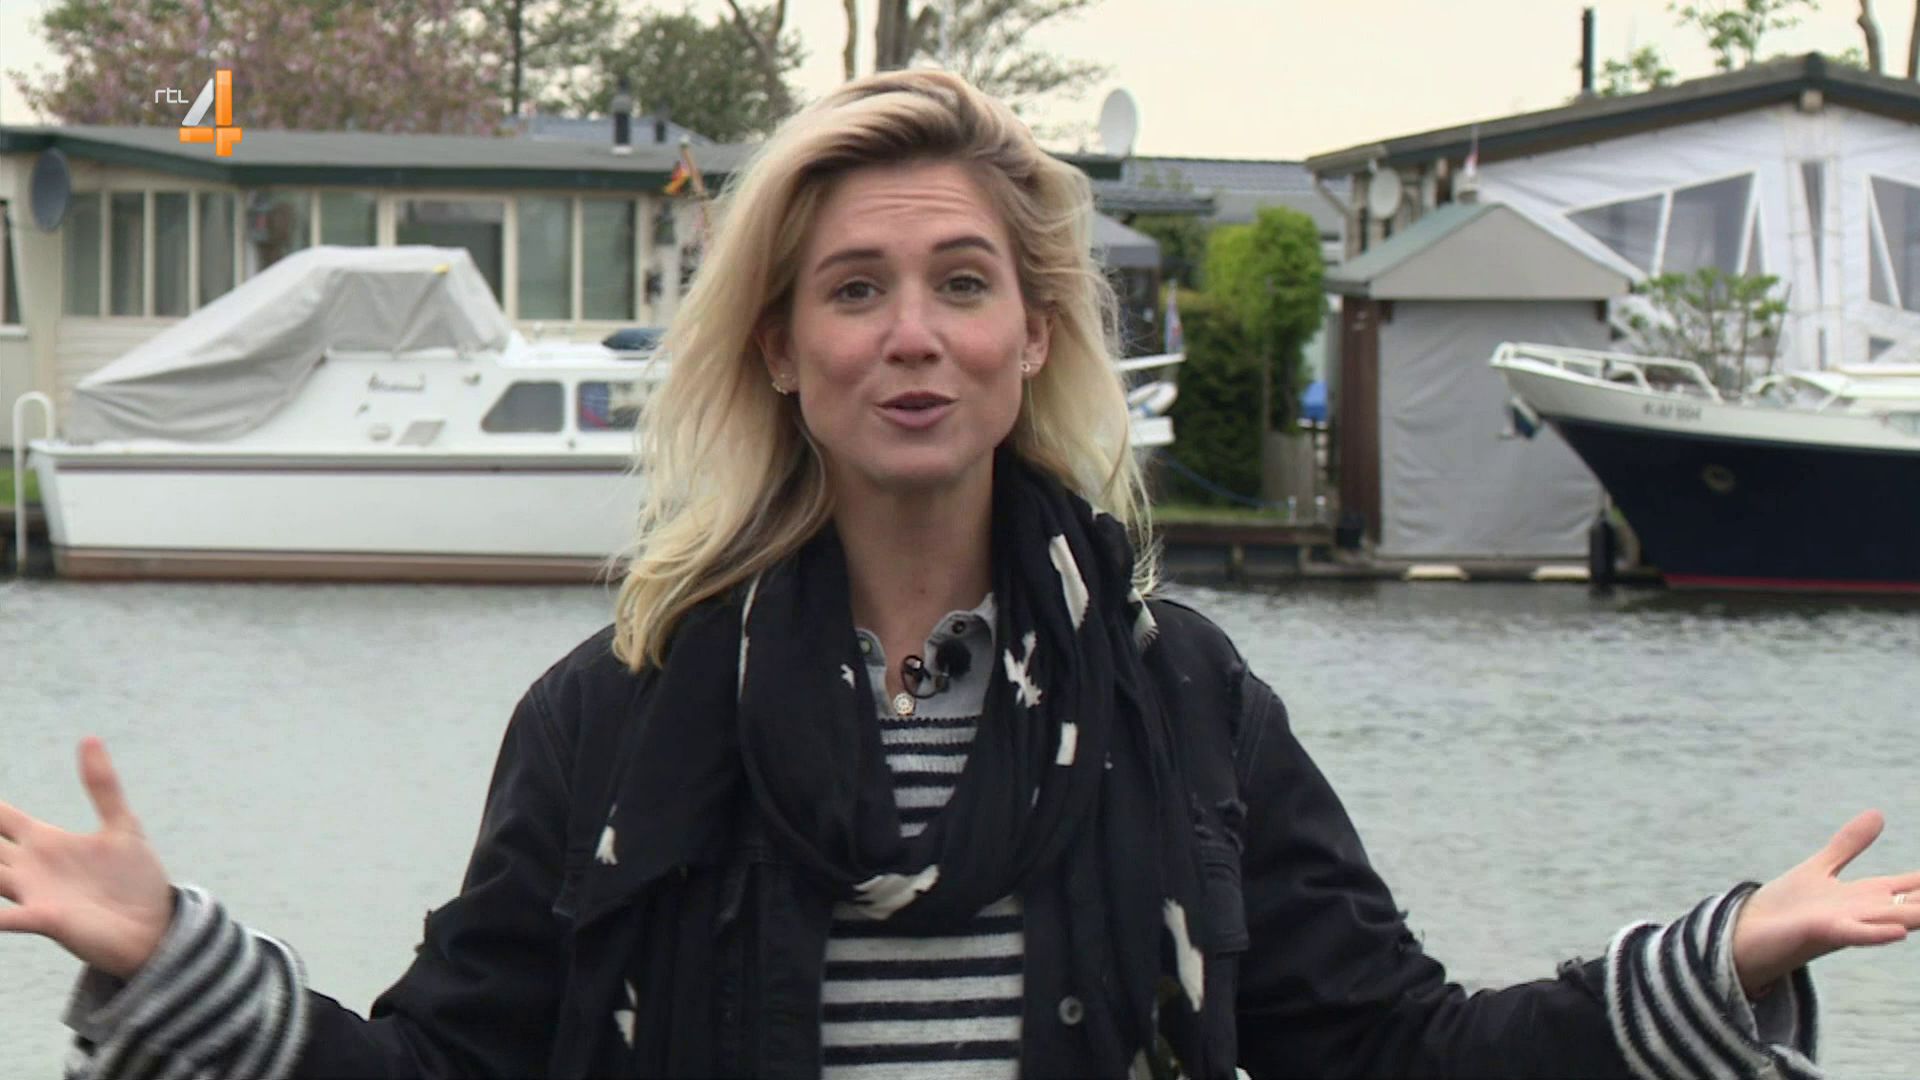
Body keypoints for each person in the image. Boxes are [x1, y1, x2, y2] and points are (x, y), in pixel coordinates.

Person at [2, 69, 1916, 1080]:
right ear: (779, 347)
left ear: (1030, 338)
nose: (911, 333)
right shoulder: (619, 715)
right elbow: (450, 1067)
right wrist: (184, 966)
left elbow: (1395, 1050)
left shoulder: (1182, 701)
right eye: (855, 289)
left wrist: (1710, 966)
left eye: (962, 284)